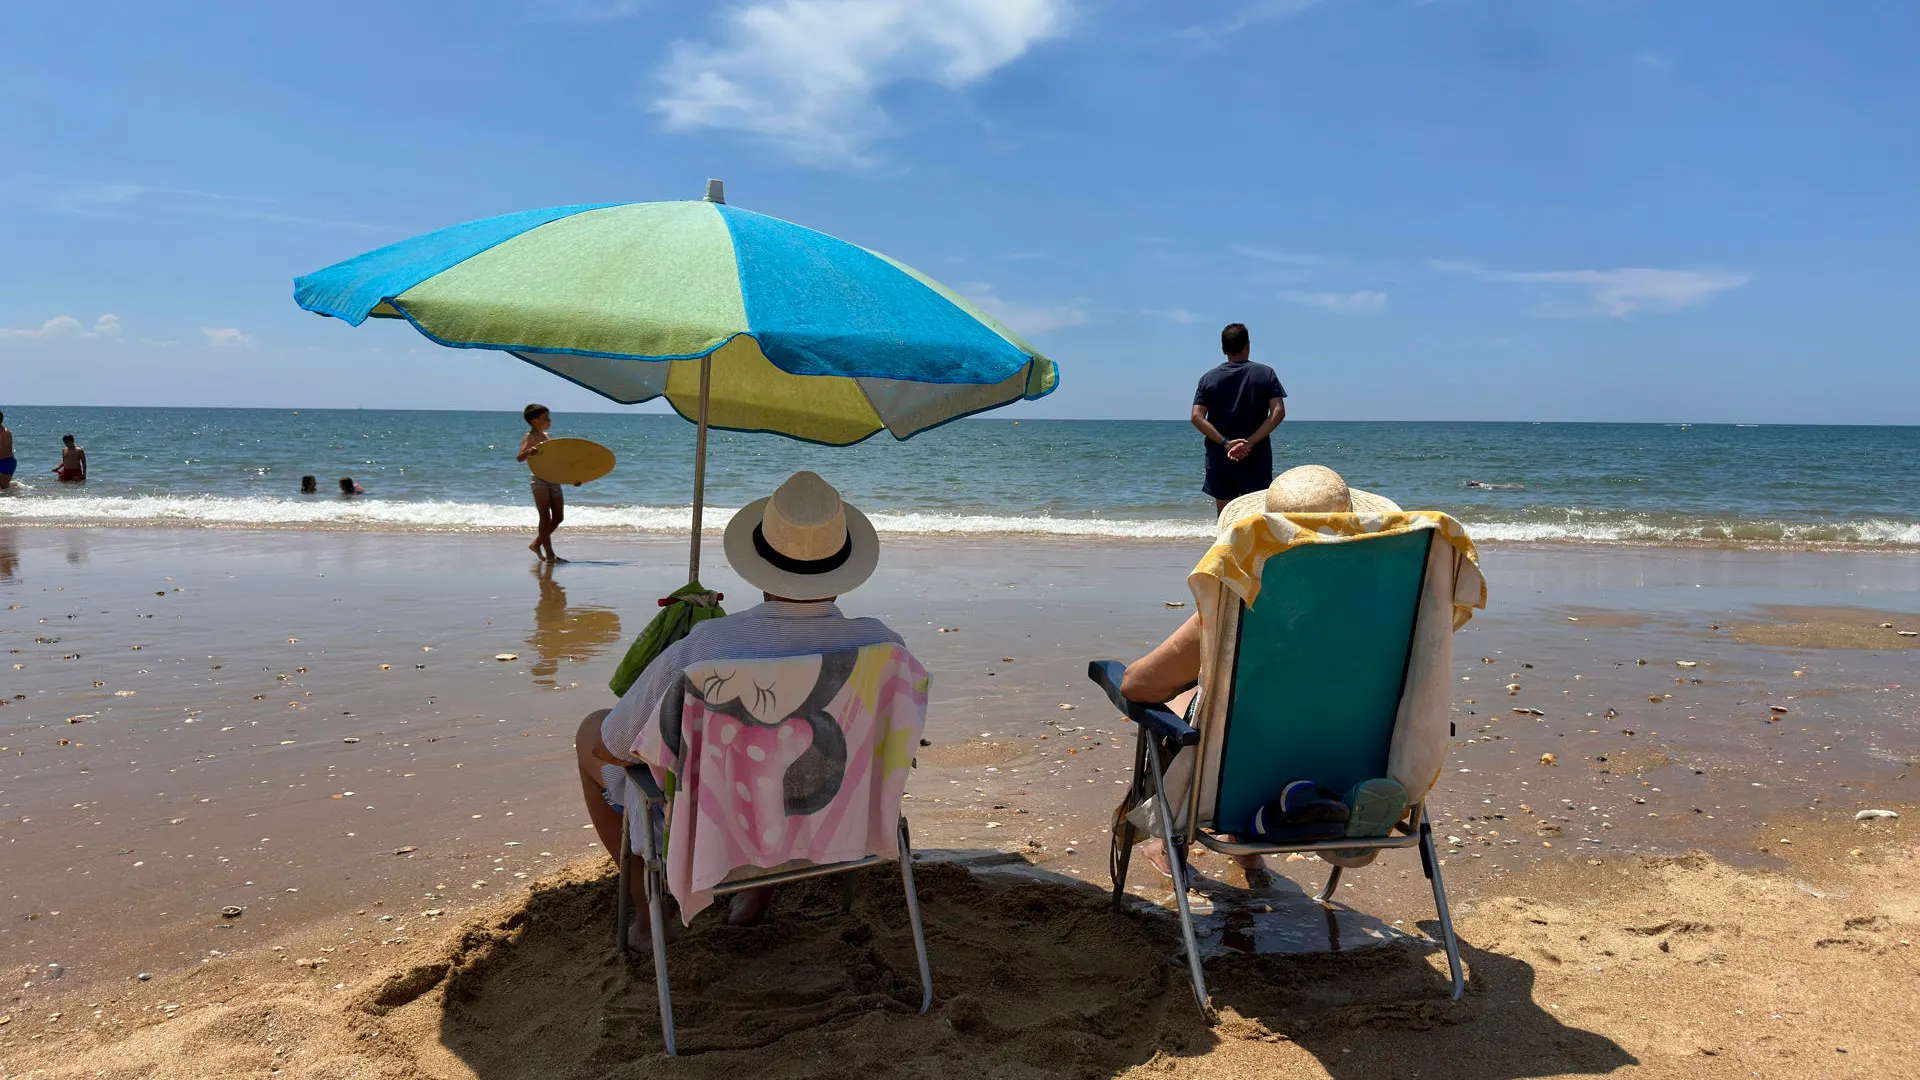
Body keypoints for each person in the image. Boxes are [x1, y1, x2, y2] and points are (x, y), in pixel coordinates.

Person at [574, 471, 898, 933]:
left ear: (760, 563)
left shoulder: (709, 647)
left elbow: (617, 747)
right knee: (781, 758)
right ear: (843, 568)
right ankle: (754, 899)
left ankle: (647, 913)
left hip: (715, 836)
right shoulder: (885, 648)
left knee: (593, 732)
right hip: (833, 824)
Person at [1116, 465, 1400, 885]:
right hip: (1351, 757)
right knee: (1315, 701)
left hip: (1242, 763)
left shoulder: (1241, 600)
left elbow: (1138, 686)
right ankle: (1308, 811)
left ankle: (1176, 836)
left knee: (1186, 706)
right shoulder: (1394, 608)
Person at [1191, 323, 1287, 514]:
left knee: (1225, 517)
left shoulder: (1208, 378)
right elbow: (1278, 412)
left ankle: (1226, 545)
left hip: (1220, 457)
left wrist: (1226, 443)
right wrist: (1248, 443)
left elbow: (1196, 416)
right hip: (1256, 457)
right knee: (1255, 518)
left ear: (1224, 349)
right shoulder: (1265, 373)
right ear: (1247, 345)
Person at [516, 403, 565, 563]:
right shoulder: (529, 437)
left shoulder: (547, 436)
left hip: (554, 478)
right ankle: (550, 555)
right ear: (535, 420)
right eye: (546, 418)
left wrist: (573, 477)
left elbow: (556, 460)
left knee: (558, 517)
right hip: (539, 480)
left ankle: (536, 544)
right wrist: (530, 451)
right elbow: (520, 457)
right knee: (545, 517)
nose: (549, 420)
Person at [0, 412, 15, 490]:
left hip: (7, 462)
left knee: (4, 488)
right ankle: (14, 485)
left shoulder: (6, 433)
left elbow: (7, 449)